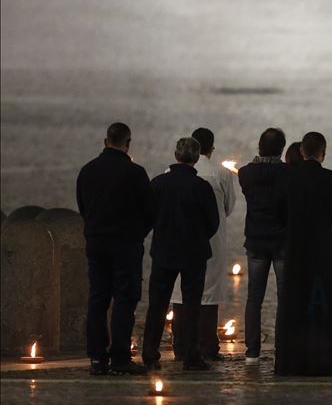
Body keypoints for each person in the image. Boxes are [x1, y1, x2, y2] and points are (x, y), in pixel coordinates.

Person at [76, 122, 154, 376]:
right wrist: (138, 234)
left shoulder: (87, 171)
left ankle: (97, 357)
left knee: (98, 297)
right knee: (125, 298)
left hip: (96, 242)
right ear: (128, 143)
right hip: (126, 244)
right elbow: (149, 211)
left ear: (105, 141)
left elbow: (83, 206)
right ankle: (120, 357)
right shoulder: (135, 173)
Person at [274, 132, 332, 376]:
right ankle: (326, 360)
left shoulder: (288, 178)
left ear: (301, 152)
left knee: (295, 303)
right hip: (324, 251)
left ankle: (293, 361)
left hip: (296, 249)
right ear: (323, 153)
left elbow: (279, 214)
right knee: (324, 305)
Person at [141, 137, 220, 371]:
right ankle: (191, 355)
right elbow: (213, 222)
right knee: (192, 305)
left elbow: (147, 217)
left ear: (176, 155)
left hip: (164, 251)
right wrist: (199, 236)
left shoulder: (158, 184)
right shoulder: (201, 187)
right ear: (196, 159)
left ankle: (150, 352)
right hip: (194, 253)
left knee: (157, 304)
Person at [169, 127, 236, 362]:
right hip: (211, 240)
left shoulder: (169, 173)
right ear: (211, 149)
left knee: (179, 292)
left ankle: (180, 344)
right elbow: (228, 207)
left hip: (177, 238)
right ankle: (208, 345)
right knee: (210, 293)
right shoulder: (221, 174)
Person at [237, 127, 288, 364]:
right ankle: (282, 348)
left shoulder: (246, 173)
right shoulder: (288, 174)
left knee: (254, 298)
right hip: (281, 240)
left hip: (255, 240)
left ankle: (252, 351)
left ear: (259, 146)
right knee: (284, 297)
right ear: (282, 149)